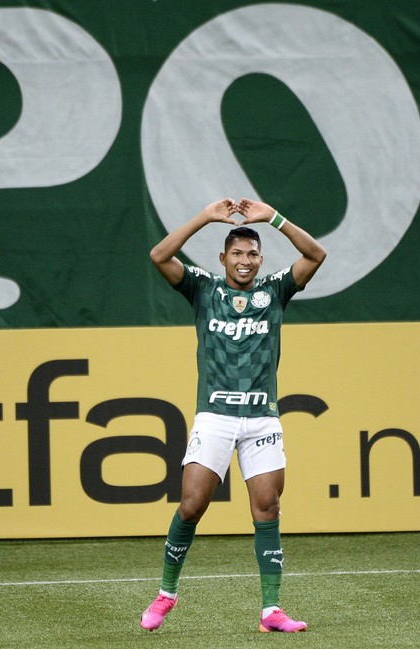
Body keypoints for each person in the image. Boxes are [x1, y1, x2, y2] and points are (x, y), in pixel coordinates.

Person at [141, 197, 327, 633]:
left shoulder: (276, 289)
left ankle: (271, 611)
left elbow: (316, 254)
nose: (245, 261)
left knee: (268, 508)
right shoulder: (204, 289)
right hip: (216, 416)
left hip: (262, 418)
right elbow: (159, 255)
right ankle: (167, 594)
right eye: (237, 254)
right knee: (191, 505)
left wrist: (276, 218)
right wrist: (206, 217)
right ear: (223, 258)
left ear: (261, 259)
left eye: (252, 254)